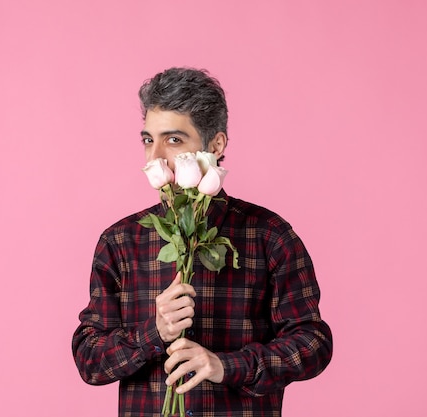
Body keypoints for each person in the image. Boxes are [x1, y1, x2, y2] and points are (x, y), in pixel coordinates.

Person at [72, 67, 333, 417]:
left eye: (174, 140)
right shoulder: (120, 242)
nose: (155, 157)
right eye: (149, 139)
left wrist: (226, 366)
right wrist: (154, 332)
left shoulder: (269, 235)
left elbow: (313, 343)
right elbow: (90, 360)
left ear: (216, 144)